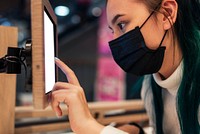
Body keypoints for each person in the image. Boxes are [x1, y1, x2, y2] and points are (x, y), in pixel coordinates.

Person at [50, 0, 200, 133]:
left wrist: (90, 127)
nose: (115, 41)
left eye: (121, 25)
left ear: (167, 13)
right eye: (112, 30)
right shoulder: (150, 86)